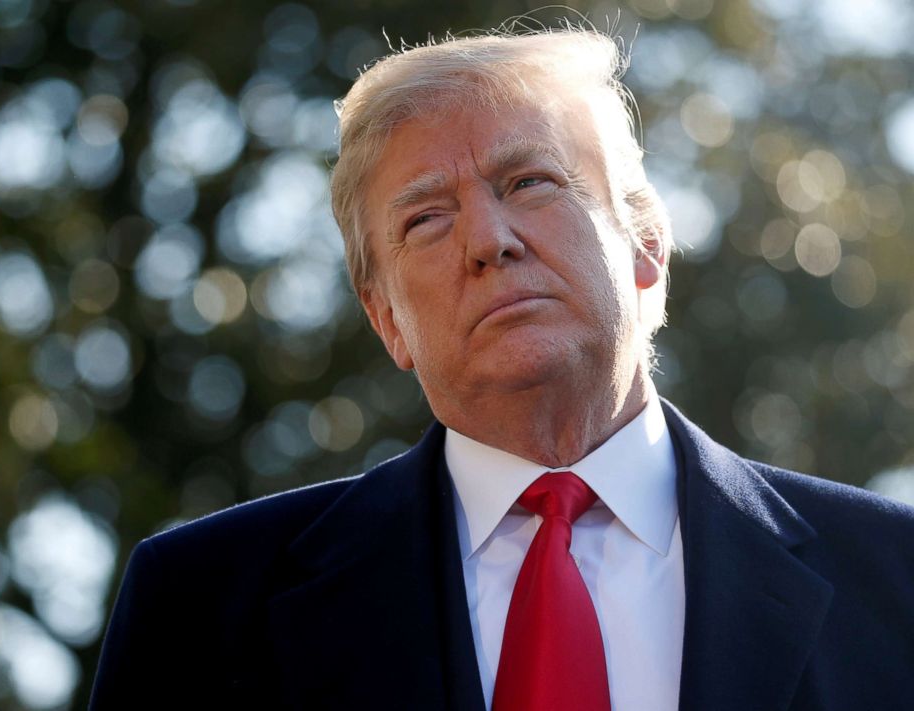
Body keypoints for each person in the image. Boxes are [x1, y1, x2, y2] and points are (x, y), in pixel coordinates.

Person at [90, 27, 914, 711]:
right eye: (426, 219)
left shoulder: (893, 576)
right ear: (386, 320)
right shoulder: (199, 606)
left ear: (647, 247)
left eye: (530, 181)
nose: (489, 240)